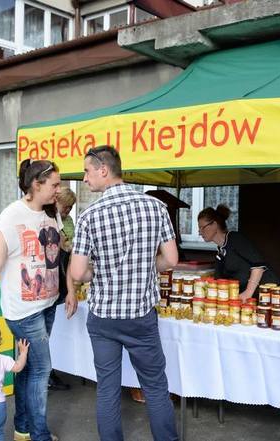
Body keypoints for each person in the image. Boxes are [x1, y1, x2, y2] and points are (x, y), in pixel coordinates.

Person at [69, 145, 179, 441]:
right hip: (141, 316)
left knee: (107, 389)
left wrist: (99, 271)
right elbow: (171, 260)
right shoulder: (156, 207)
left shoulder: (89, 216)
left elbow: (77, 273)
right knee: (155, 386)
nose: (84, 178)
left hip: (104, 318)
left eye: (87, 171)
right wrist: (144, 265)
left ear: (103, 170)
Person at [0, 159, 71, 441]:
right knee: (42, 369)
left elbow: (59, 253)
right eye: (55, 184)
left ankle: (23, 427)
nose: (59, 189)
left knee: (29, 368)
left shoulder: (52, 213)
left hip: (48, 303)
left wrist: (69, 287)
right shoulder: (11, 216)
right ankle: (39, 435)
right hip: (24, 310)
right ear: (36, 184)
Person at [198, 204, 279, 300]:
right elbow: (220, 280)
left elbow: (258, 266)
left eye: (202, 227)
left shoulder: (235, 239)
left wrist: (247, 293)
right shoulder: (221, 251)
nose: (199, 232)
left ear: (214, 225)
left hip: (267, 294)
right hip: (248, 300)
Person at [47, 185, 77, 391]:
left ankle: (51, 370)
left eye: (70, 208)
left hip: (63, 273)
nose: (68, 211)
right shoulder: (48, 219)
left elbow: (70, 246)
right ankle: (46, 373)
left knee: (54, 329)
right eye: (66, 206)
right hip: (51, 276)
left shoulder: (68, 221)